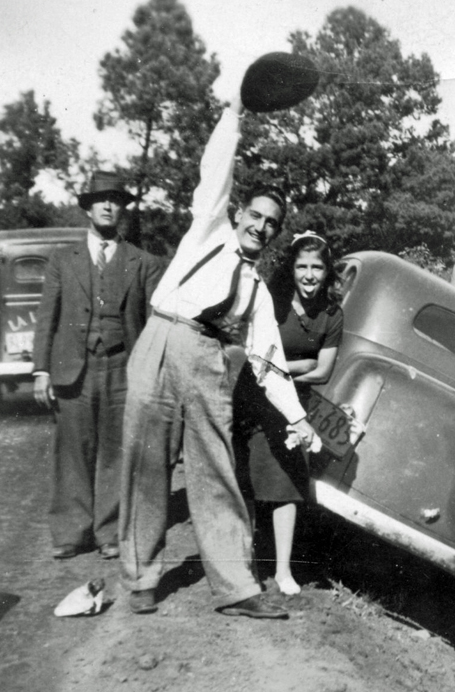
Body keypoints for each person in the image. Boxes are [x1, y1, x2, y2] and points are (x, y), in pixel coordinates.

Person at [118, 77, 319, 618]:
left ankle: (237, 588)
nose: (260, 226)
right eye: (254, 215)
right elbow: (216, 173)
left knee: (216, 467)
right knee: (145, 459)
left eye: (271, 225)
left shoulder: (255, 289)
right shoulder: (208, 229)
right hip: (161, 338)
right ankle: (141, 575)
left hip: (207, 356)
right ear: (237, 214)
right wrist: (233, 115)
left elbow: (270, 360)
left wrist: (298, 419)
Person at [32, 172, 164, 560]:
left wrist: (152, 372)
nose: (108, 205)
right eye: (101, 199)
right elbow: (46, 317)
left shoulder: (143, 262)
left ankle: (109, 531)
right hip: (74, 367)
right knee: (72, 449)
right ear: (87, 207)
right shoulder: (62, 259)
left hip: (123, 366)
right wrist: (41, 369)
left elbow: (155, 321)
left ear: (122, 208)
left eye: (115, 199)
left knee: (116, 450)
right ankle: (72, 531)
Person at [234, 231, 343, 596]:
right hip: (255, 401)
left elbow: (323, 371)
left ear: (327, 272)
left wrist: (280, 367)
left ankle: (283, 572)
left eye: (317, 267)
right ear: (291, 270)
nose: (309, 275)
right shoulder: (272, 302)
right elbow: (254, 356)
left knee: (288, 485)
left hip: (296, 409)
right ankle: (244, 566)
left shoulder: (332, 315)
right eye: (302, 267)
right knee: (245, 482)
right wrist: (302, 362)